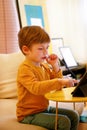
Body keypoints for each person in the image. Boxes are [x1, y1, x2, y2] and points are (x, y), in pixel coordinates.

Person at [16, 26, 79, 130]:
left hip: (44, 108)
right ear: (26, 49)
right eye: (41, 49)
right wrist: (60, 81)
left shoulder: (44, 65)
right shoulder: (24, 69)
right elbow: (36, 88)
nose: (46, 53)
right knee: (63, 121)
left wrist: (54, 65)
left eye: (47, 47)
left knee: (74, 115)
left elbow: (57, 85)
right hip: (28, 114)